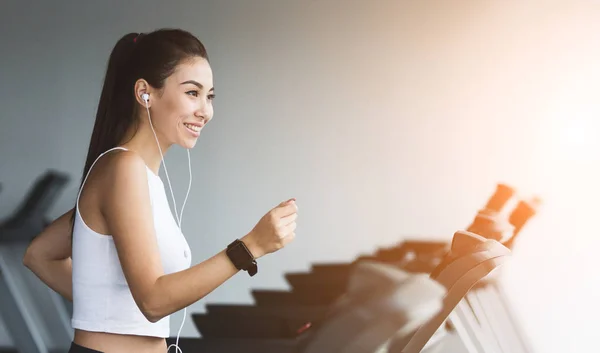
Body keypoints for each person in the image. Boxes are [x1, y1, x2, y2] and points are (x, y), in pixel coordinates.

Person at [22, 28, 298, 353]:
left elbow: (38, 253)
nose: (205, 111)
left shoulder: (139, 175)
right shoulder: (123, 170)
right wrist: (249, 247)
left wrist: (106, 308)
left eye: (209, 96)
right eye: (192, 93)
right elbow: (153, 301)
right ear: (145, 93)